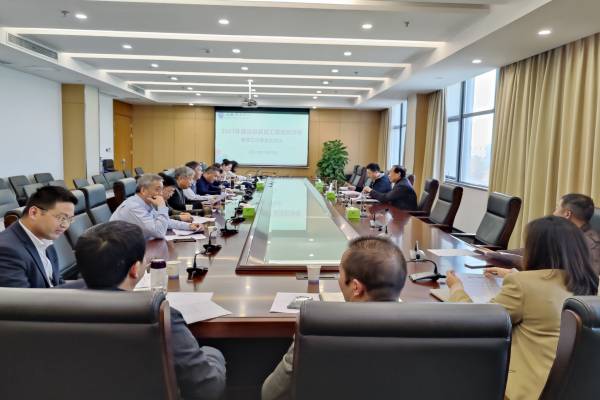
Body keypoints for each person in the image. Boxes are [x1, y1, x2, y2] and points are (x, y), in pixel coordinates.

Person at [446, 216, 599, 400]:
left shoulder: (522, 284)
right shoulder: (592, 284)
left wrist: (456, 289)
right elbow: (548, 290)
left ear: (537, 250)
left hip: (528, 392)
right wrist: (514, 274)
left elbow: (477, 323)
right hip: (576, 390)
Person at [75, 221, 226, 400]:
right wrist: (213, 353)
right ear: (135, 269)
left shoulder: (53, 307)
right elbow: (207, 388)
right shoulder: (156, 314)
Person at [261, 236, 407, 400]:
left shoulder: (316, 325)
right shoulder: (423, 326)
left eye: (340, 273)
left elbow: (271, 394)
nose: (339, 279)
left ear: (356, 287)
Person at [0, 186, 78, 288]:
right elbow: (21, 298)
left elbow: (56, 282)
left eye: (70, 219)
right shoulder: (6, 250)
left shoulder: (45, 238)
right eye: (62, 218)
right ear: (34, 213)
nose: (65, 225)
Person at [110, 174, 200, 240]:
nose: (161, 194)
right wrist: (162, 206)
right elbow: (159, 232)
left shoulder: (145, 203)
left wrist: (188, 226)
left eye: (161, 190)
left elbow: (164, 221)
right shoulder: (134, 207)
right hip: (120, 251)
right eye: (157, 190)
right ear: (143, 190)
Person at [553, 193, 600, 274]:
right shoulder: (567, 236)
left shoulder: (590, 245)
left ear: (567, 214)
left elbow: (590, 278)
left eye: (557, 208)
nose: (554, 213)